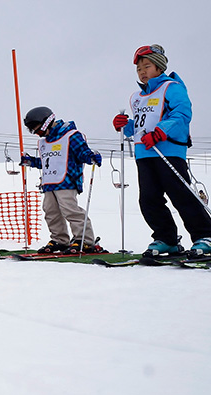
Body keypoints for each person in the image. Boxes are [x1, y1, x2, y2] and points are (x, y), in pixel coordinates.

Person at [113, 45, 211, 258]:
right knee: (149, 199)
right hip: (145, 154)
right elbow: (140, 127)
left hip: (168, 151)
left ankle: (205, 235)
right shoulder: (137, 97)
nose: (142, 72)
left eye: (147, 66)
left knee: (181, 195)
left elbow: (181, 114)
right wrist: (125, 125)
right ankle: (166, 239)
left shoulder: (171, 87)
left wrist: (160, 132)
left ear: (159, 67)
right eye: (139, 69)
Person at [21, 106, 103, 254]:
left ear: (46, 122)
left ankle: (84, 240)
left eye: (39, 130)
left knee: (70, 210)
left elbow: (82, 153)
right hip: (49, 182)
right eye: (35, 133)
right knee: (50, 211)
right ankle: (59, 239)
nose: (39, 135)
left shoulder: (70, 135)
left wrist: (91, 157)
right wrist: (32, 161)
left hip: (67, 180)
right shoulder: (45, 142)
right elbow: (47, 162)